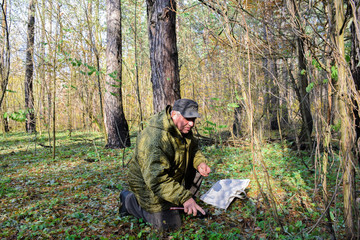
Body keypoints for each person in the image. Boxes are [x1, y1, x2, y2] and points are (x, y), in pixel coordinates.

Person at [119, 99, 211, 230]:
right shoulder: (155, 139)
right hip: (148, 185)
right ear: (174, 114)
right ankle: (129, 201)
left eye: (194, 119)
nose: (191, 124)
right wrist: (184, 197)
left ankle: (186, 204)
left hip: (169, 179)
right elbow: (156, 179)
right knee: (169, 226)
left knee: (196, 171)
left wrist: (200, 163)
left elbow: (194, 149)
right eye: (187, 118)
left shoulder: (183, 129)